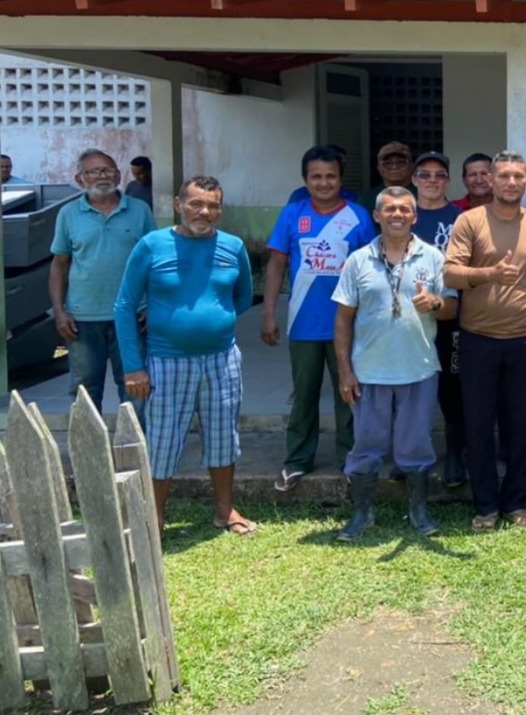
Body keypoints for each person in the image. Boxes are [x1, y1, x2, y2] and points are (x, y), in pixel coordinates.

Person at [113, 176, 255, 535]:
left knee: (224, 437)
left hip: (222, 360)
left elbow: (241, 298)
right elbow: (125, 305)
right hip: (165, 360)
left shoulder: (233, 246)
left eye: (212, 205)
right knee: (162, 440)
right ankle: (154, 518)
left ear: (220, 210)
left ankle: (225, 511)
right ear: (179, 204)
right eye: (195, 203)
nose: (204, 211)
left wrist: (210, 323)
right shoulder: (151, 245)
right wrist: (133, 366)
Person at [332, 186, 458, 541]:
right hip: (369, 370)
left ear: (415, 216)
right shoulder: (358, 260)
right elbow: (343, 320)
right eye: (389, 209)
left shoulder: (433, 257)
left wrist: (434, 302)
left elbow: (453, 308)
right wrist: (345, 370)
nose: (397, 215)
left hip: (417, 367)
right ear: (377, 215)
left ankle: (418, 511)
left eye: (405, 209)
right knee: (366, 444)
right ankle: (362, 513)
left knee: (415, 444)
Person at [444, 151, 526, 531]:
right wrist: (489, 273)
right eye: (503, 175)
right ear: (491, 180)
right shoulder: (469, 221)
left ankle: (515, 503)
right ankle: (486, 505)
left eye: (518, 176)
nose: (510, 182)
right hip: (478, 340)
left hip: (524, 339)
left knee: (522, 426)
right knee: (478, 424)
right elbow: (451, 274)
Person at [262, 145, 377, 492]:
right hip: (303, 322)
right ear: (305, 180)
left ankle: (351, 459)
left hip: (349, 323)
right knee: (305, 395)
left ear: (341, 179)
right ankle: (297, 460)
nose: (324, 183)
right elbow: (277, 265)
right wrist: (268, 313)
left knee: (350, 395)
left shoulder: (358, 217)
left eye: (331, 176)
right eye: (316, 177)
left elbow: (371, 269)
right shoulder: (292, 215)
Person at [50, 149, 156, 414]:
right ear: (80, 178)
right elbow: (59, 265)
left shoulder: (139, 210)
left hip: (132, 317)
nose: (102, 176)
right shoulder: (68, 214)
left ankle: (136, 450)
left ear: (119, 175)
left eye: (108, 170)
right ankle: (88, 452)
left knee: (136, 386)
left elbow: (154, 263)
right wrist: (60, 312)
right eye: (93, 171)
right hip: (82, 319)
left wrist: (153, 304)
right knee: (84, 390)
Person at [410, 151, 466, 488]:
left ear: (448, 180)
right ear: (414, 179)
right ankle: (409, 454)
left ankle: (455, 456)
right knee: (411, 386)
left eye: (439, 175)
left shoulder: (461, 219)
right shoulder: (402, 213)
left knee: (452, 389)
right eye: (425, 175)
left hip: (450, 315)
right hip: (408, 317)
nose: (432, 181)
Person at [359, 141, 414, 215]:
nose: (394, 167)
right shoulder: (367, 199)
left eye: (401, 162)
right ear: (379, 168)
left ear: (411, 166)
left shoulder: (423, 196)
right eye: (387, 163)